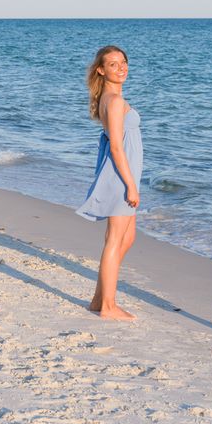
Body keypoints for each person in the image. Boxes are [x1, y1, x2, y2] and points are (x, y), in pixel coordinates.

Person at [76, 45, 141, 321]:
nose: (121, 67)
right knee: (115, 240)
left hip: (125, 174)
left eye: (123, 62)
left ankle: (98, 299)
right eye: (113, 64)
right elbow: (116, 146)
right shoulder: (113, 101)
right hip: (121, 176)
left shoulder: (111, 97)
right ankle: (108, 306)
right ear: (101, 70)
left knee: (127, 237)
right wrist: (131, 185)